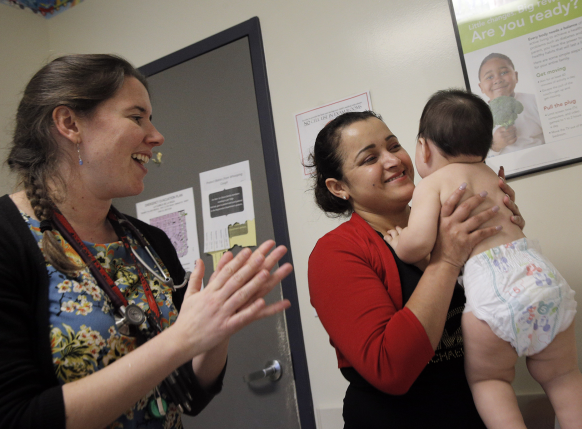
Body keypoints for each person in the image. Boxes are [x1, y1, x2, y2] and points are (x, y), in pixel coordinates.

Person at [0, 54, 292, 429]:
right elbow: (16, 418)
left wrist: (216, 329)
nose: (156, 136)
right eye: (137, 118)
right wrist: (181, 340)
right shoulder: (10, 240)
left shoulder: (148, 241)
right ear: (69, 123)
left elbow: (189, 395)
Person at [384, 89, 582, 429]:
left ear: (423, 147)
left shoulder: (433, 184)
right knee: (564, 376)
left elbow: (418, 245)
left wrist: (398, 241)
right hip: (541, 278)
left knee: (490, 381)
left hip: (496, 293)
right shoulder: (495, 179)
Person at [307, 110, 525, 428]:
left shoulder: (452, 223)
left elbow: (513, 318)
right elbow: (390, 369)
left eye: (393, 146)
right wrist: (447, 261)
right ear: (339, 187)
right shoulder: (336, 253)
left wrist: (507, 235)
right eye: (370, 159)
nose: (394, 160)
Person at [478, 52, 544, 155]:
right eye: (489, 77)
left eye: (504, 72)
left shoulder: (535, 101)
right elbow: (477, 156)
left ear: (516, 76)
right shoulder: (478, 117)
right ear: (481, 87)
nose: (497, 80)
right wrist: (495, 145)